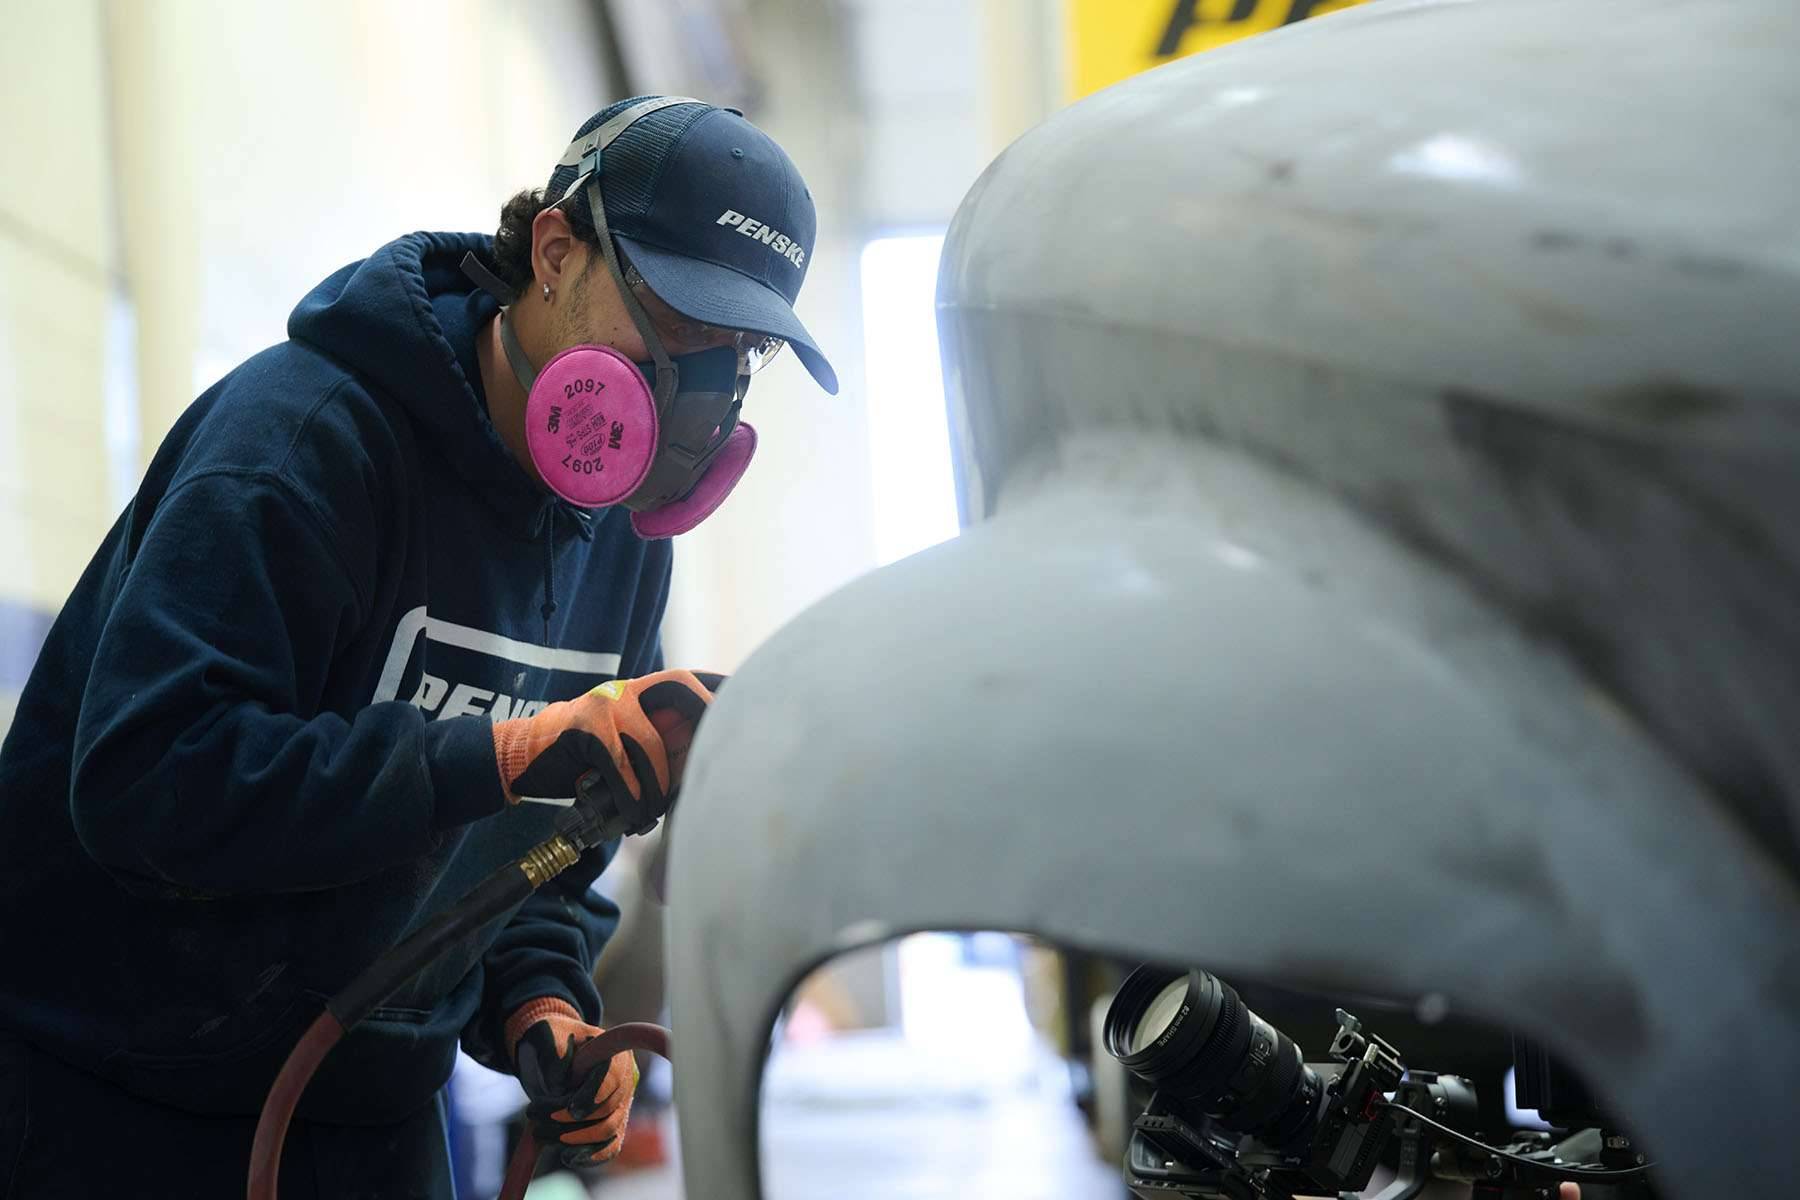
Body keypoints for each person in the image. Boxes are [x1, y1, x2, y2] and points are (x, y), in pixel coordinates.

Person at [0, 95, 837, 1198]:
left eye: (740, 354)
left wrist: (543, 1004)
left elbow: (539, 861)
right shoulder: (301, 443)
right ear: (556, 251)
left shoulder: (625, 547)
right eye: (679, 322)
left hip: (372, 1108)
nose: (700, 393)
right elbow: (146, 778)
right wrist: (502, 755)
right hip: (111, 1101)